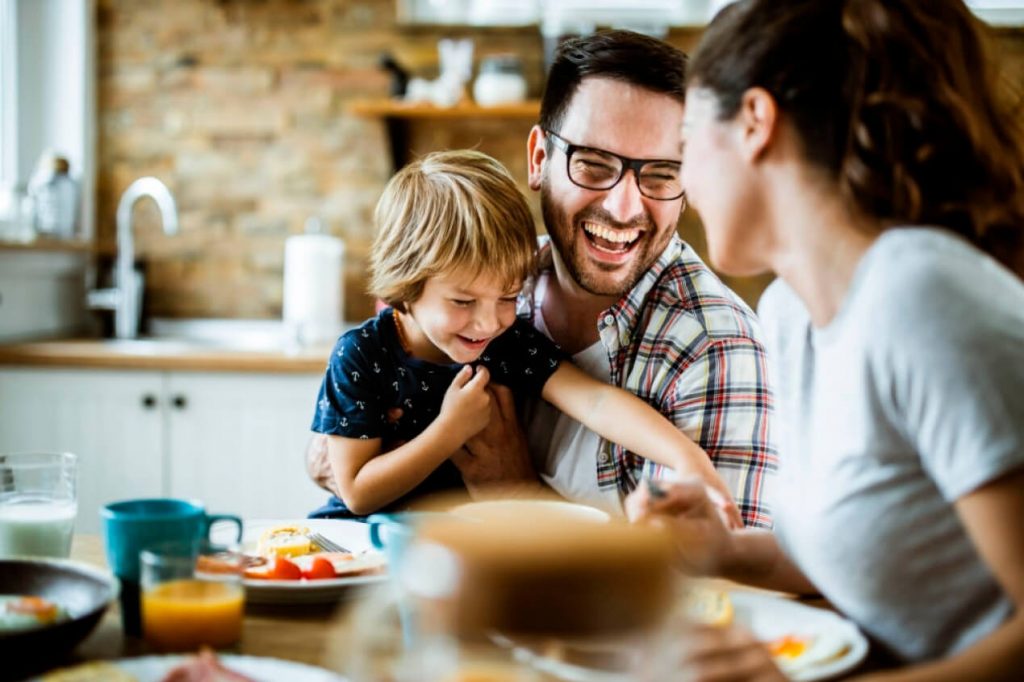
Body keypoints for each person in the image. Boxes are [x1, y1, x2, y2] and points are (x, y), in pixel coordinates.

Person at [628, 0, 1024, 678]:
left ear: (755, 122)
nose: (684, 180)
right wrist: (722, 550)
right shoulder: (790, 314)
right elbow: (877, 552)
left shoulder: (921, 297)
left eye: (687, 141)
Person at [308, 31, 776, 527]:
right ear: (538, 160)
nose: (623, 208)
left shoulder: (715, 349)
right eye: (593, 164)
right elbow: (344, 474)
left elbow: (703, 574)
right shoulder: (496, 274)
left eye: (661, 173)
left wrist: (514, 490)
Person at [309, 149, 742, 522]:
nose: (488, 323)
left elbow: (595, 401)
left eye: (507, 297)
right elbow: (358, 493)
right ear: (404, 285)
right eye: (463, 301)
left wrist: (688, 458)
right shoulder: (362, 354)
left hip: (459, 548)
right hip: (362, 543)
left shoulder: (506, 343)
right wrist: (449, 430)